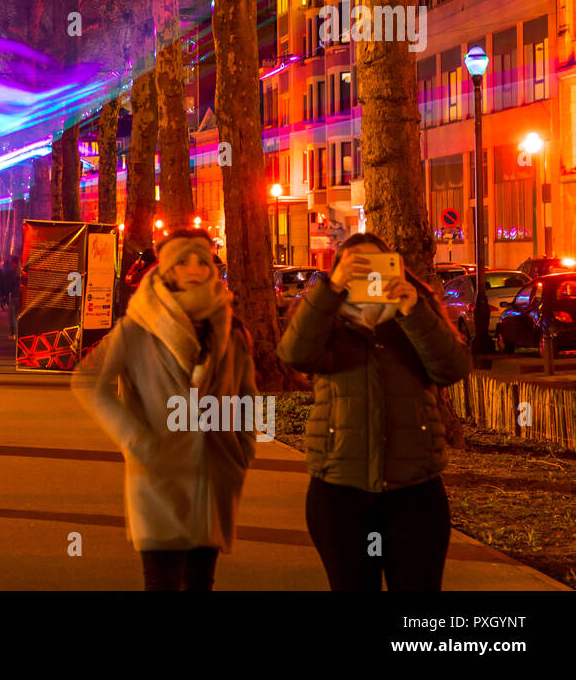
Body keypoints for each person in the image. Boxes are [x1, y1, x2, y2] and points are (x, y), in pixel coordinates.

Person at [277, 233, 469, 591]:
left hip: (414, 490)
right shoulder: (327, 319)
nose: (367, 275)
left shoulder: (415, 313)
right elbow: (295, 353)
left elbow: (451, 368)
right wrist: (331, 290)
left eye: (376, 264)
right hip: (340, 490)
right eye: (355, 266)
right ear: (338, 272)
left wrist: (413, 310)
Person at [72, 229, 257, 590]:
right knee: (162, 583)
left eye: (202, 261)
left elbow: (248, 394)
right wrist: (136, 439)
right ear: (167, 269)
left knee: (201, 581)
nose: (194, 268)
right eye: (183, 260)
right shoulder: (137, 327)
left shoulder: (231, 328)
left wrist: (243, 449)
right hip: (159, 475)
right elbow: (88, 382)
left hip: (215, 474)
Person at [1, 255, 20, 338]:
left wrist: (5, 295)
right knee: (17, 316)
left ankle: (14, 333)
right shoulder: (21, 273)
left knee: (13, 316)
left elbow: (8, 286)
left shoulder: (11, 273)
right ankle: (16, 333)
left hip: (13, 296)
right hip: (20, 297)